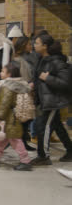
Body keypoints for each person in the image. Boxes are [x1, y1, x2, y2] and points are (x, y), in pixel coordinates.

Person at [0, 62, 32, 171]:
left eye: (3, 71)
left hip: (9, 118)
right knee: (2, 138)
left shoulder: (7, 86)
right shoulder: (17, 85)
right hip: (11, 116)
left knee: (14, 139)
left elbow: (4, 104)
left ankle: (25, 161)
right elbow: (2, 102)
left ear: (9, 74)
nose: (0, 73)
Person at [30, 35, 72, 165]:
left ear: (45, 46)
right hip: (45, 99)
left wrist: (48, 78)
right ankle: (70, 150)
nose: (34, 45)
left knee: (43, 126)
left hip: (53, 100)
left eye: (37, 43)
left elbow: (66, 83)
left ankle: (43, 156)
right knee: (57, 126)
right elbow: (38, 77)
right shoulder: (41, 59)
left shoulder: (57, 62)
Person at [12, 37, 37, 151]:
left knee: (26, 118)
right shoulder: (17, 59)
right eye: (28, 44)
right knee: (23, 119)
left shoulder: (27, 57)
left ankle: (22, 142)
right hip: (22, 92)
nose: (30, 46)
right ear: (22, 45)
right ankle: (19, 143)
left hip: (27, 90)